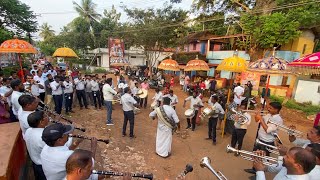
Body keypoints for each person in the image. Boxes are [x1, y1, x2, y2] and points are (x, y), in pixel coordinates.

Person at [244, 101, 283, 174]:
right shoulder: (268, 115)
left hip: (267, 141)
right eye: (268, 107)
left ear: (276, 110)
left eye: (270, 108)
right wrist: (257, 115)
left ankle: (260, 174)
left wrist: (261, 119)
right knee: (256, 155)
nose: (268, 109)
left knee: (264, 158)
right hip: (260, 139)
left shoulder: (278, 120)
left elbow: (267, 130)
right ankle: (254, 169)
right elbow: (257, 121)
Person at [24, 111, 49, 180]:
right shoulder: (43, 137)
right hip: (43, 166)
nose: (48, 117)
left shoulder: (28, 130)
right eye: (45, 116)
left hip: (35, 162)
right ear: (41, 122)